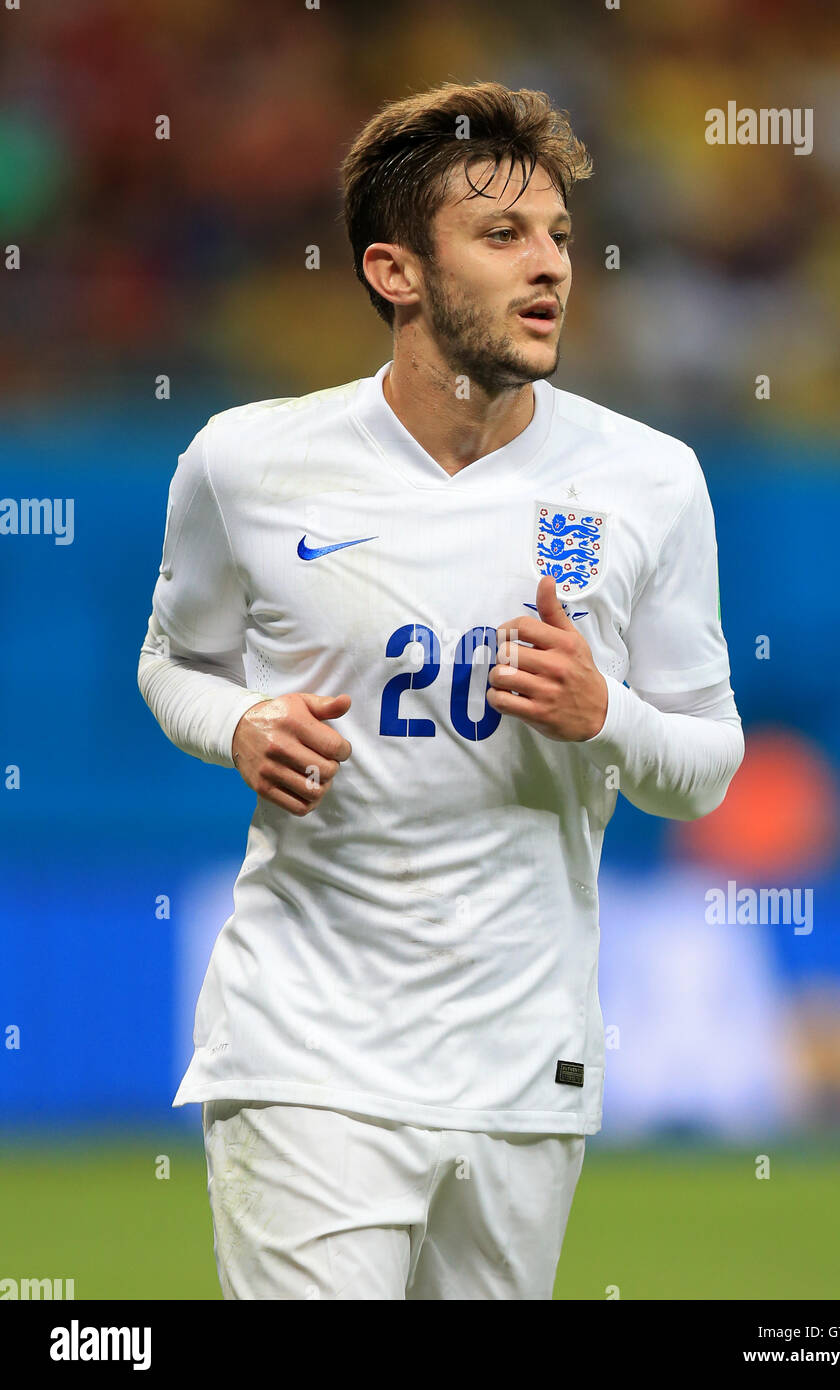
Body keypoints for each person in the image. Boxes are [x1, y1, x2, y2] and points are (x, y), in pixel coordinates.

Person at [137, 80, 744, 1300]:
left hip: (525, 1067)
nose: (551, 268)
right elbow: (172, 665)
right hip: (304, 1049)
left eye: (561, 238)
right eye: (503, 235)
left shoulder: (651, 481)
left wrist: (604, 714)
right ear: (396, 271)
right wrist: (240, 722)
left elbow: (709, 761)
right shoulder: (246, 461)